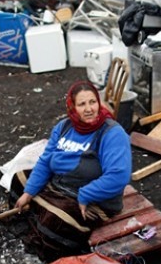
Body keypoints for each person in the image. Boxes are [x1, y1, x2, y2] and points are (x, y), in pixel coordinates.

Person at [13, 80, 132, 254]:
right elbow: (46, 161)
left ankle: (42, 228)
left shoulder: (111, 133)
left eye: (92, 102)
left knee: (56, 220)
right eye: (81, 104)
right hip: (60, 186)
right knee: (19, 180)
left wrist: (86, 195)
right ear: (72, 108)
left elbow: (119, 176)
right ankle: (38, 215)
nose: (89, 109)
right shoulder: (64, 127)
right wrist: (28, 193)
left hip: (94, 199)